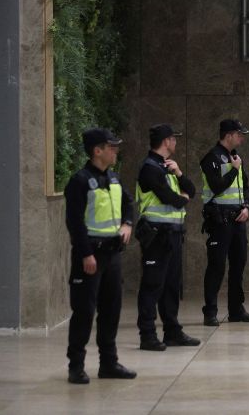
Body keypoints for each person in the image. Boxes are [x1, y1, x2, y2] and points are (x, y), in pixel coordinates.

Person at [64, 128, 137, 384]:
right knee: (84, 312)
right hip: (90, 256)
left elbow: (129, 203)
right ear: (97, 151)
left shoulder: (113, 178)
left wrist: (127, 223)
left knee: (111, 310)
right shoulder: (80, 181)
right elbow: (74, 223)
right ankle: (76, 366)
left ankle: (109, 363)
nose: (116, 151)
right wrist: (86, 254)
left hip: (112, 256)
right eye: (111, 147)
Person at [136, 124, 201, 350]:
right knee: (152, 285)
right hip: (156, 235)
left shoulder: (167, 167)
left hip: (173, 234)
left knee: (172, 286)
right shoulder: (149, 168)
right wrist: (183, 198)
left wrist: (179, 173)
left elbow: (191, 190)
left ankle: (172, 332)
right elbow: (170, 199)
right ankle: (147, 335)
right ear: (166, 141)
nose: (176, 142)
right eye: (174, 139)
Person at [200, 119, 249, 326]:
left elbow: (245, 187)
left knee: (238, 264)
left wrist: (246, 206)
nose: (242, 138)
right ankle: (210, 312)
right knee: (216, 266)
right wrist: (234, 169)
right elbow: (216, 187)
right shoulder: (212, 158)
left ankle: (236, 310)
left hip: (238, 219)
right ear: (228, 135)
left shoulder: (236, 157)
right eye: (239, 134)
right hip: (220, 219)